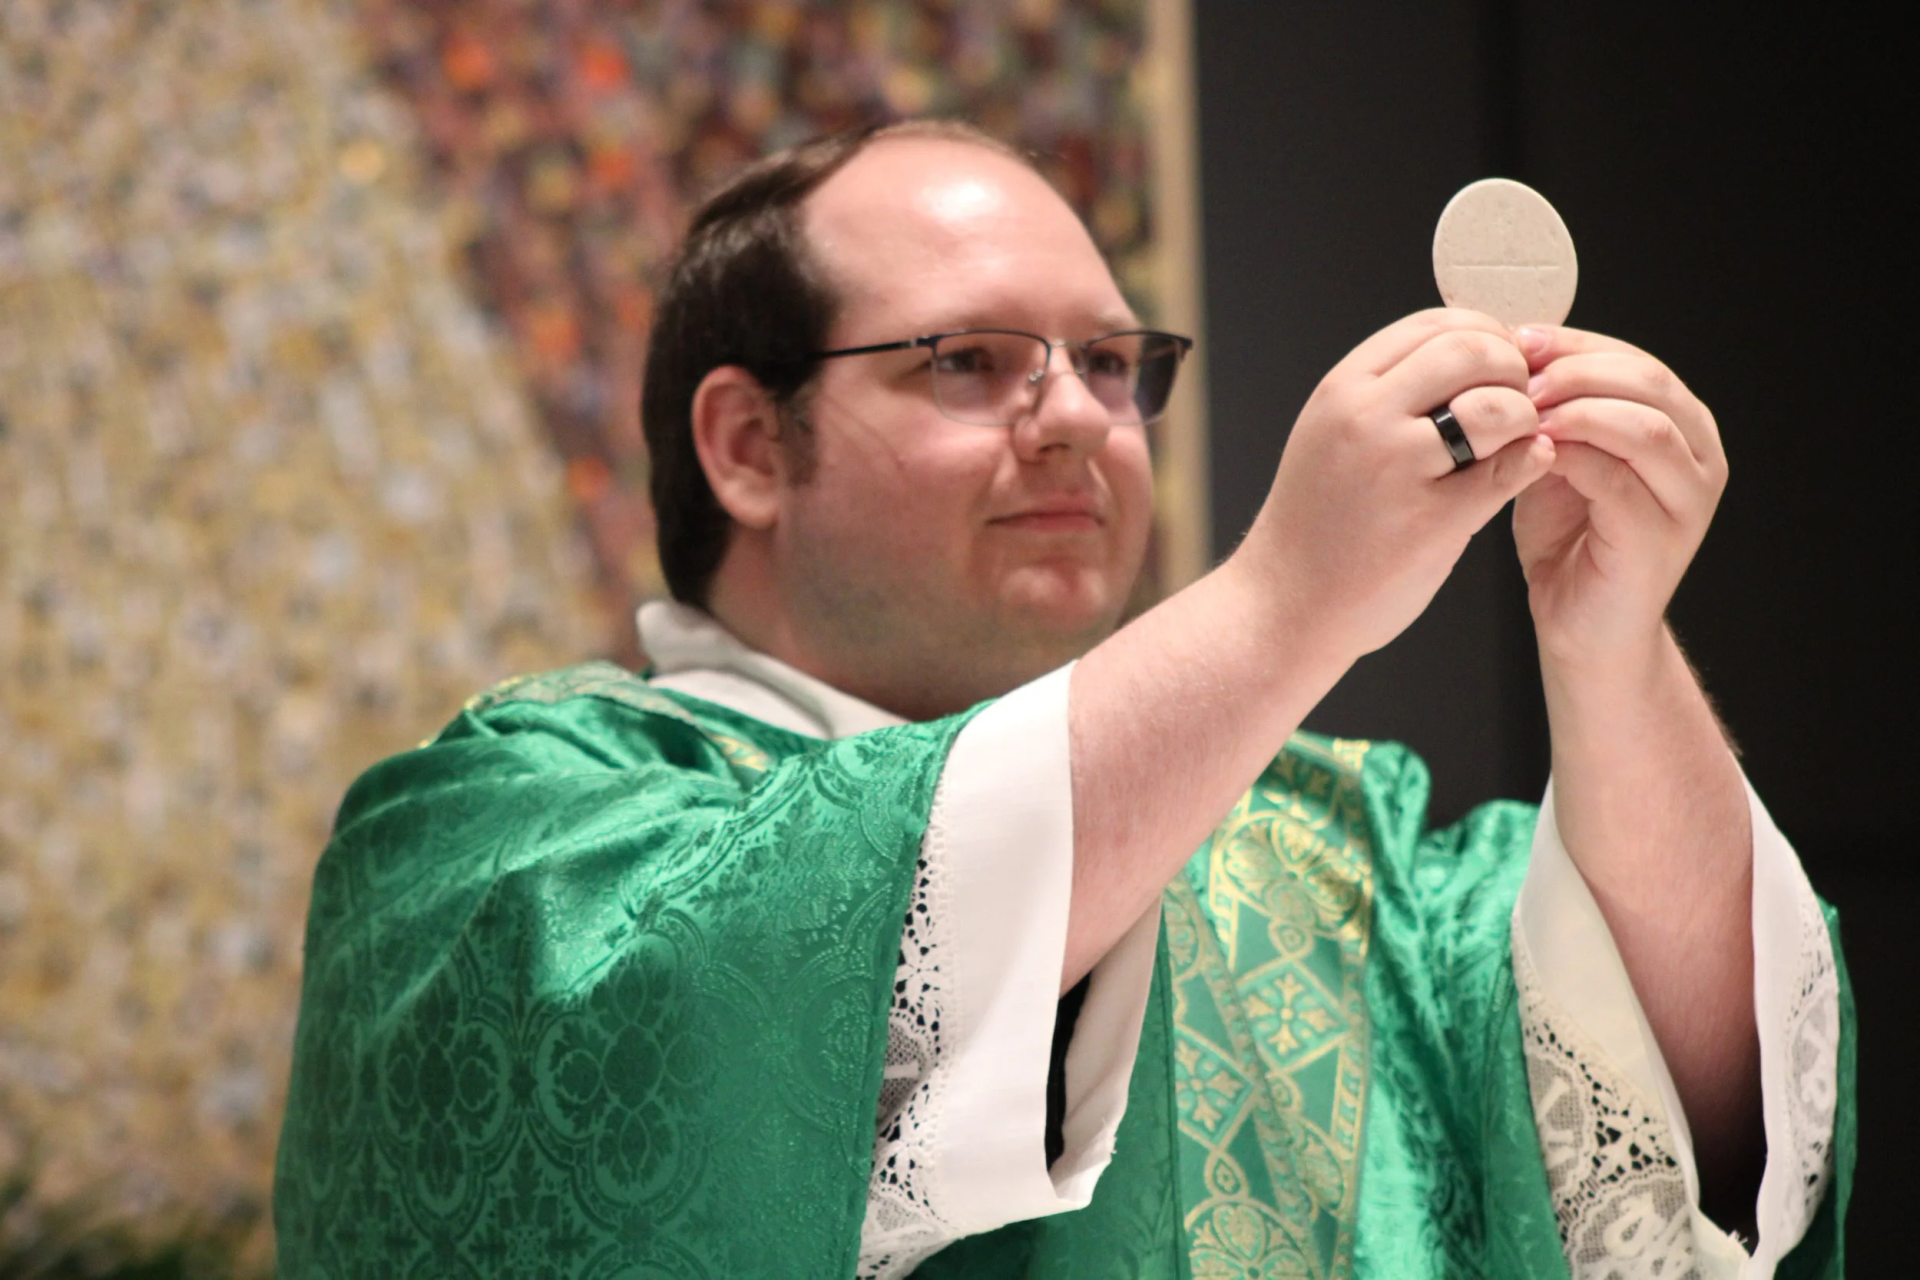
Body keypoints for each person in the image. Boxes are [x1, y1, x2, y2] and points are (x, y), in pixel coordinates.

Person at [274, 120, 1853, 1279]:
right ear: (750, 446)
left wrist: (1609, 644)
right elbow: (687, 1079)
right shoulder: (499, 839)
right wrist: (1284, 604)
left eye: (1109, 363)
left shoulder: (1324, 844)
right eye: (968, 361)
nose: (1078, 420)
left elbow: (1676, 1115)